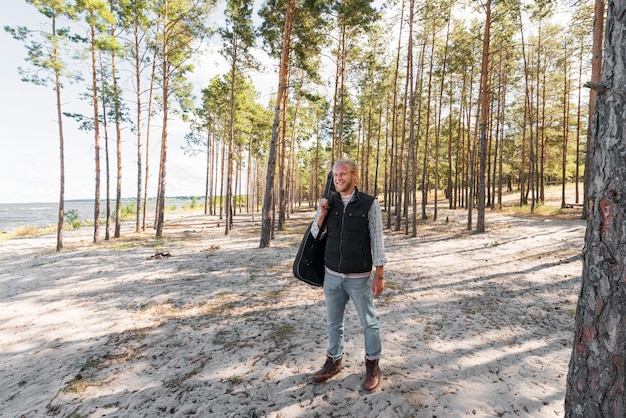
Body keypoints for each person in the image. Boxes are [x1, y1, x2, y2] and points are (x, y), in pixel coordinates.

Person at [310, 157, 387, 393]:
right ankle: (334, 361)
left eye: (342, 174)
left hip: (360, 277)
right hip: (331, 275)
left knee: (369, 323)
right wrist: (321, 214)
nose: (338, 178)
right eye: (335, 175)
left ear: (354, 176)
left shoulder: (368, 203)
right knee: (334, 322)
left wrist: (379, 275)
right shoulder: (328, 202)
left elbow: (377, 240)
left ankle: (372, 365)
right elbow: (314, 234)